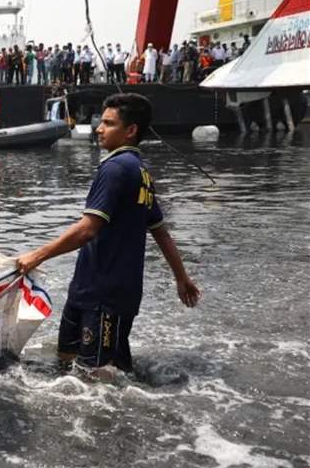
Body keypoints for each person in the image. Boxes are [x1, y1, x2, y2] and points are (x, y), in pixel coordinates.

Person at [15, 93, 200, 376]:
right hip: (90, 288)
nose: (99, 129)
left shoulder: (115, 169)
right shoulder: (141, 173)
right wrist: (181, 277)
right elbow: (161, 232)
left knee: (95, 375)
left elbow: (88, 229)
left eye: (108, 123)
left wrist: (38, 255)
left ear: (130, 131)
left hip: (105, 296)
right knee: (69, 361)